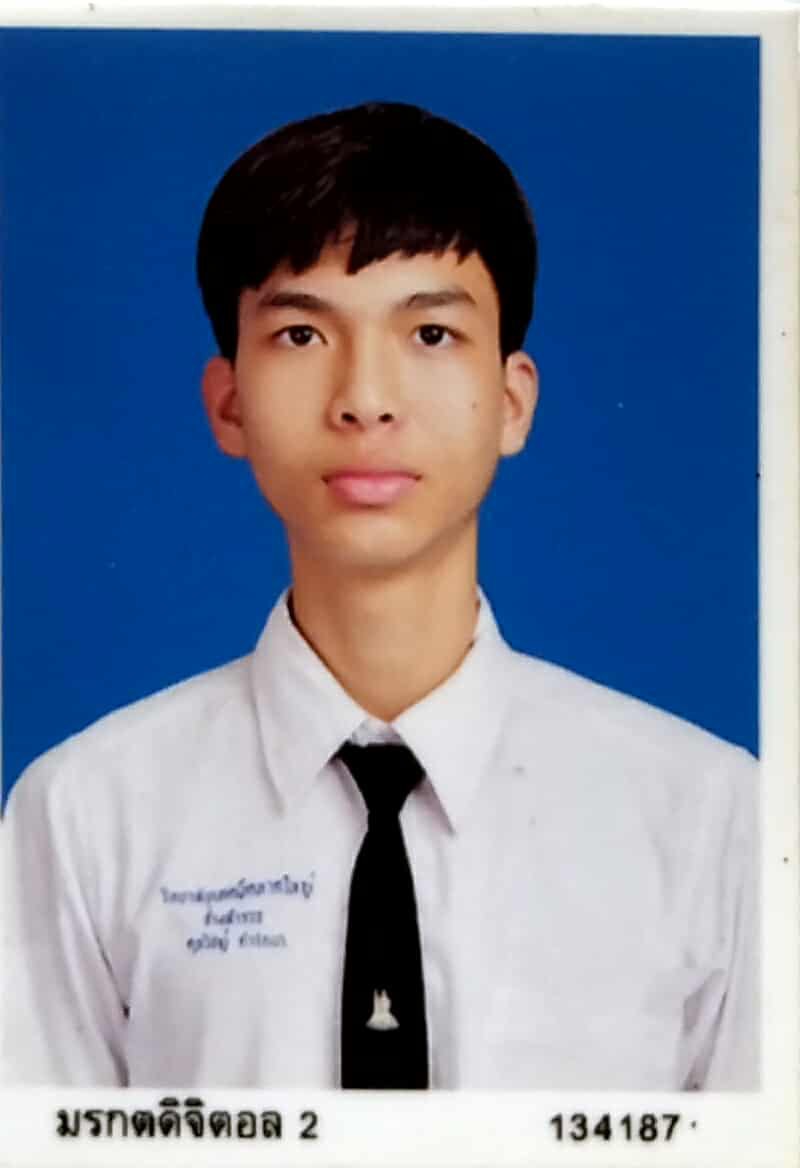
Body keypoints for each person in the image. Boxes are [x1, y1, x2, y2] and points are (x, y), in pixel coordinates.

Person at [3, 101, 757, 1090]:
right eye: (302, 334)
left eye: (431, 332)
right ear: (228, 402)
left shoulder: (711, 817)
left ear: (512, 401)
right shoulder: (84, 814)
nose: (365, 398)